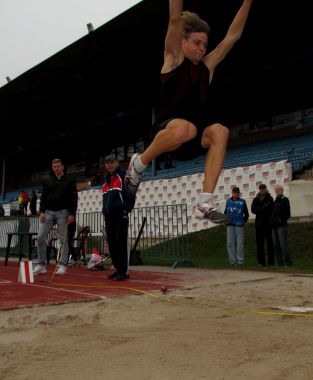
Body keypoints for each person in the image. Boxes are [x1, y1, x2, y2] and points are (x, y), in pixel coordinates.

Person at [125, 0, 255, 223]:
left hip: (192, 140)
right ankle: (139, 164)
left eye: (204, 44)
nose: (202, 48)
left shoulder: (207, 67)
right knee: (187, 128)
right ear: (182, 42)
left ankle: (205, 202)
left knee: (220, 131)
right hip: (169, 131)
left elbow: (233, 36)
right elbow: (175, 18)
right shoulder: (173, 59)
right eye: (197, 43)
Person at [33, 158, 78, 276]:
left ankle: (63, 265)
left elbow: (74, 198)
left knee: (63, 240)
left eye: (58, 166)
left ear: (63, 167)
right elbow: (43, 197)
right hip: (48, 212)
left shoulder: (70, 181)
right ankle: (41, 265)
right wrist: (42, 211)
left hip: (63, 212)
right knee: (40, 237)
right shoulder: (47, 180)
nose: (56, 168)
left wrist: (72, 213)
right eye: (54, 167)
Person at [102, 154, 135, 281]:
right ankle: (117, 268)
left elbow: (131, 193)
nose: (110, 165)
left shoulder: (123, 175)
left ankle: (123, 271)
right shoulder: (106, 179)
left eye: (112, 162)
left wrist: (127, 208)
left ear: (116, 163)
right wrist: (104, 211)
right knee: (112, 244)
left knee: (121, 242)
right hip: (109, 216)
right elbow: (105, 197)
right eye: (107, 163)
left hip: (120, 214)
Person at [224, 187, 249, 266]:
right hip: (230, 225)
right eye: (234, 192)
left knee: (240, 244)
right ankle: (232, 261)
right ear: (232, 193)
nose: (236, 193)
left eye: (237, 192)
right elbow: (225, 212)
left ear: (239, 193)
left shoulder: (242, 202)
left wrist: (243, 221)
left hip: (239, 225)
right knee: (230, 243)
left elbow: (246, 214)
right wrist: (225, 221)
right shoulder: (228, 201)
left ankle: (240, 261)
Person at [251, 184, 275, 266]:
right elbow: (253, 210)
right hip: (259, 225)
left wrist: (260, 208)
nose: (262, 190)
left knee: (270, 244)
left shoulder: (270, 198)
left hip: (268, 224)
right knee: (260, 244)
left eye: (263, 189)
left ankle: (271, 262)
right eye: (261, 189)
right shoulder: (256, 199)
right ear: (259, 190)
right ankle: (261, 262)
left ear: (266, 189)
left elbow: (270, 208)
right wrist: (263, 207)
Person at [271, 184, 292, 266]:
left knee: (283, 245)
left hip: (282, 226)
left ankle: (288, 262)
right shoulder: (275, 201)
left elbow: (288, 214)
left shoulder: (285, 200)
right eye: (276, 190)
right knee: (276, 246)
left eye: (279, 189)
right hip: (274, 227)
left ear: (282, 190)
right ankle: (279, 263)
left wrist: (281, 220)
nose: (277, 191)